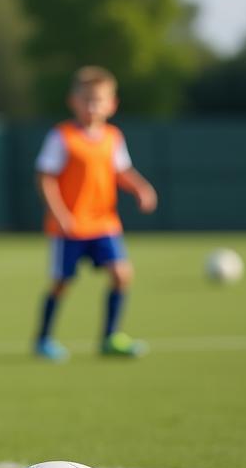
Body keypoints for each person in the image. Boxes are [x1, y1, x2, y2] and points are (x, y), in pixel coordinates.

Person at [33, 66, 157, 361]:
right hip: (70, 227)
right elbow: (45, 176)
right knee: (62, 283)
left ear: (112, 104)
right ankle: (43, 339)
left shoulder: (113, 137)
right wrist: (59, 213)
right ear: (73, 102)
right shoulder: (62, 137)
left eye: (99, 100)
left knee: (121, 274)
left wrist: (141, 188)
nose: (92, 106)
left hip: (104, 223)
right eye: (86, 100)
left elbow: (121, 170)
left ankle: (110, 337)